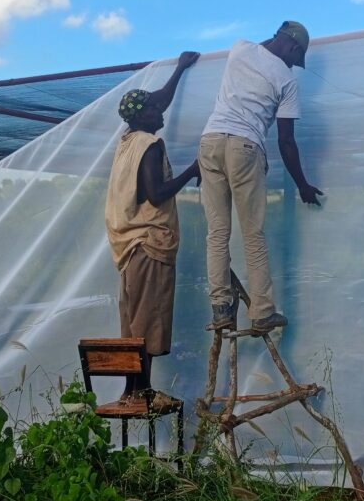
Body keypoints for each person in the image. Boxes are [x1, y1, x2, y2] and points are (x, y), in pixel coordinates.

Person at [199, 21, 323, 333]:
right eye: (296, 57)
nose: (293, 64)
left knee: (217, 232)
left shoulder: (239, 48)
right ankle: (262, 312)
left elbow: (264, 46)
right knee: (252, 234)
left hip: (210, 141)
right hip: (244, 145)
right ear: (293, 46)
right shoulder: (287, 80)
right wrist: (302, 185)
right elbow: (286, 141)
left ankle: (220, 309)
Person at [105, 51, 201, 403]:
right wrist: (193, 170)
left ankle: (132, 390)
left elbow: (157, 100)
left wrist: (179, 70)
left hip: (130, 245)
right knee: (146, 318)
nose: (160, 113)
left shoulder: (127, 141)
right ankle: (142, 391)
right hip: (150, 243)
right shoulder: (150, 144)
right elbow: (156, 193)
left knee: (133, 319)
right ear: (140, 116)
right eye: (153, 110)